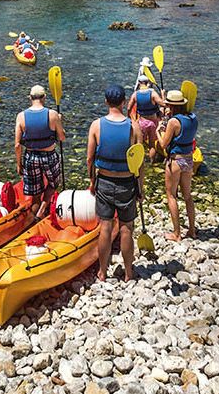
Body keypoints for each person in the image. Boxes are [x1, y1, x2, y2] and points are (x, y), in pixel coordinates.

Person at [87, 85, 143, 283]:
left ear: (105, 102)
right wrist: (140, 187)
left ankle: (102, 273)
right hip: (127, 183)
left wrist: (92, 181)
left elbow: (89, 158)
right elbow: (139, 161)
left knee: (105, 227)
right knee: (127, 228)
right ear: (123, 102)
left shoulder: (96, 125)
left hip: (104, 180)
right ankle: (128, 273)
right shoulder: (134, 127)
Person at [14, 85, 66, 217]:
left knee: (35, 193)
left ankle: (34, 218)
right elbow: (62, 137)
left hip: (30, 157)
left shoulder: (21, 116)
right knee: (54, 184)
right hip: (49, 156)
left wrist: (19, 164)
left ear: (30, 98)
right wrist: (60, 121)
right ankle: (43, 208)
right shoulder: (53, 114)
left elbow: (17, 145)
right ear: (44, 97)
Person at [157, 89, 198, 242]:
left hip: (175, 161)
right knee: (187, 195)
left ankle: (176, 233)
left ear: (171, 106)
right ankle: (192, 230)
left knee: (171, 195)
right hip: (188, 159)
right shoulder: (193, 119)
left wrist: (158, 131)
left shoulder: (174, 122)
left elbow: (163, 144)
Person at [127, 75, 164, 159]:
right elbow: (163, 104)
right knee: (152, 144)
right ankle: (152, 162)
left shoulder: (135, 94)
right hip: (153, 122)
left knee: (139, 143)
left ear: (139, 83)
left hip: (142, 122)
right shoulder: (153, 93)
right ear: (147, 83)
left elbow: (129, 107)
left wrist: (128, 116)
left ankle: (140, 162)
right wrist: (163, 95)